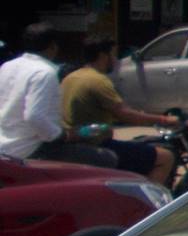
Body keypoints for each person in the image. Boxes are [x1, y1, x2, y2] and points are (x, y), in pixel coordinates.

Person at [61, 38, 176, 185]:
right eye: (112, 55)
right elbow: (127, 115)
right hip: (97, 146)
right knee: (165, 157)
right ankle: (151, 204)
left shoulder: (70, 78)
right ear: (103, 56)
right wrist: (164, 120)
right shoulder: (98, 81)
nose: (115, 60)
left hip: (75, 145)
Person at [0, 24, 111, 167]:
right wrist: (62, 135)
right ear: (53, 46)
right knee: (107, 158)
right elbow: (34, 116)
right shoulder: (44, 72)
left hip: (5, 147)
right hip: (31, 149)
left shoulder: (8, 66)